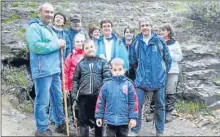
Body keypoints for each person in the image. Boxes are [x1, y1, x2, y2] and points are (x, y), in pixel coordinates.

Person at [26, 3, 74, 136]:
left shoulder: (50, 29)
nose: (50, 15)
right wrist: (56, 44)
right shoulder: (34, 28)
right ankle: (41, 128)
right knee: (42, 100)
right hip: (42, 70)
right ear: (39, 12)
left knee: (57, 98)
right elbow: (36, 47)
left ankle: (60, 124)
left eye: (52, 12)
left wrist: (61, 46)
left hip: (54, 70)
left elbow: (53, 47)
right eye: (47, 12)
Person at [130, 17, 172, 136]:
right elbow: (133, 61)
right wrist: (139, 71)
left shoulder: (159, 40)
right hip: (141, 80)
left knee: (160, 105)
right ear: (140, 28)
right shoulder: (136, 42)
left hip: (158, 79)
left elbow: (168, 59)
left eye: (147, 25)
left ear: (151, 27)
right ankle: (135, 129)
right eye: (142, 25)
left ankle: (160, 130)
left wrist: (163, 73)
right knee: (137, 104)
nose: (145, 27)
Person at [71, 40, 112, 136]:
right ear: (83, 50)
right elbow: (75, 80)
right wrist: (74, 93)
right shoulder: (80, 64)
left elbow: (107, 77)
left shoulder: (102, 62)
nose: (90, 49)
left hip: (98, 97)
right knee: (83, 121)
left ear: (95, 48)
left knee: (98, 121)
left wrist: (102, 90)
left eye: (91, 47)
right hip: (83, 97)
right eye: (87, 48)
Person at [95, 58, 139, 137]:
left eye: (120, 69)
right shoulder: (106, 85)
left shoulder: (129, 85)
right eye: (115, 70)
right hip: (110, 120)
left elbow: (134, 102)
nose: (118, 72)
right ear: (111, 71)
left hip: (124, 120)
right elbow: (100, 102)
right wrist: (99, 116)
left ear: (124, 70)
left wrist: (133, 118)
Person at [48, 12, 71, 125]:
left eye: (61, 18)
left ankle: (58, 117)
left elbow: (69, 51)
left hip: (62, 65)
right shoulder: (49, 31)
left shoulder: (66, 35)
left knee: (59, 92)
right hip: (51, 65)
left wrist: (66, 63)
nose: (58, 19)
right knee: (52, 92)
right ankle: (53, 116)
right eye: (56, 17)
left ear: (63, 22)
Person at [160, 23, 183, 122]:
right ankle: (157, 112)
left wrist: (169, 54)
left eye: (163, 30)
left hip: (172, 70)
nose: (161, 32)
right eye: (160, 30)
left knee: (170, 91)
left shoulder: (175, 43)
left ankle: (169, 113)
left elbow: (179, 57)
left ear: (168, 32)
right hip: (160, 70)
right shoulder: (158, 42)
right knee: (159, 91)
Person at [64, 33, 85, 128]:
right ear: (74, 43)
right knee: (75, 105)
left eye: (82, 41)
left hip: (86, 86)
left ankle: (85, 124)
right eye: (77, 41)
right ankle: (76, 124)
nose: (80, 43)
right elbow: (65, 72)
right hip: (73, 86)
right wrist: (65, 87)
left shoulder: (89, 55)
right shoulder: (70, 56)